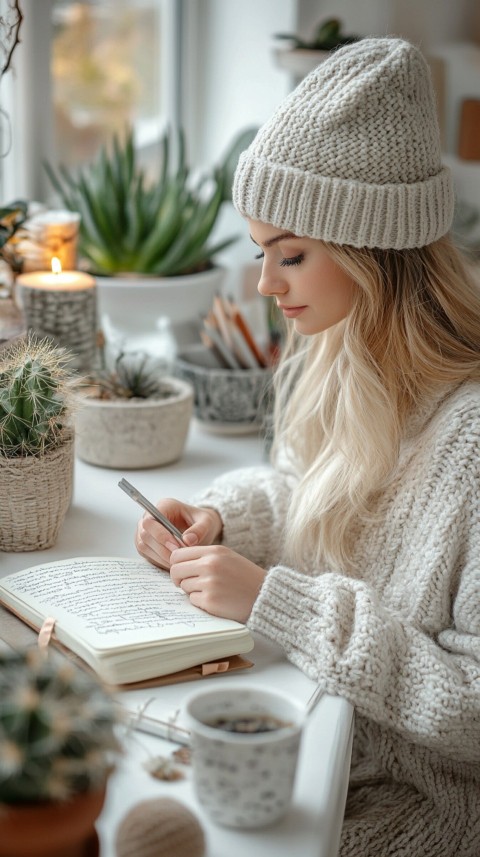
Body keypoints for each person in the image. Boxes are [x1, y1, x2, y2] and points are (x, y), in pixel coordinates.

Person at [135, 37, 480, 856]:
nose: (265, 284)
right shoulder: (340, 356)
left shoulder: (472, 439)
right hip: (313, 731)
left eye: (290, 254)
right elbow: (313, 492)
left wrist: (278, 601)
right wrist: (227, 518)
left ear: (376, 254)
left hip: (414, 800)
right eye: (260, 252)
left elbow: (472, 707)